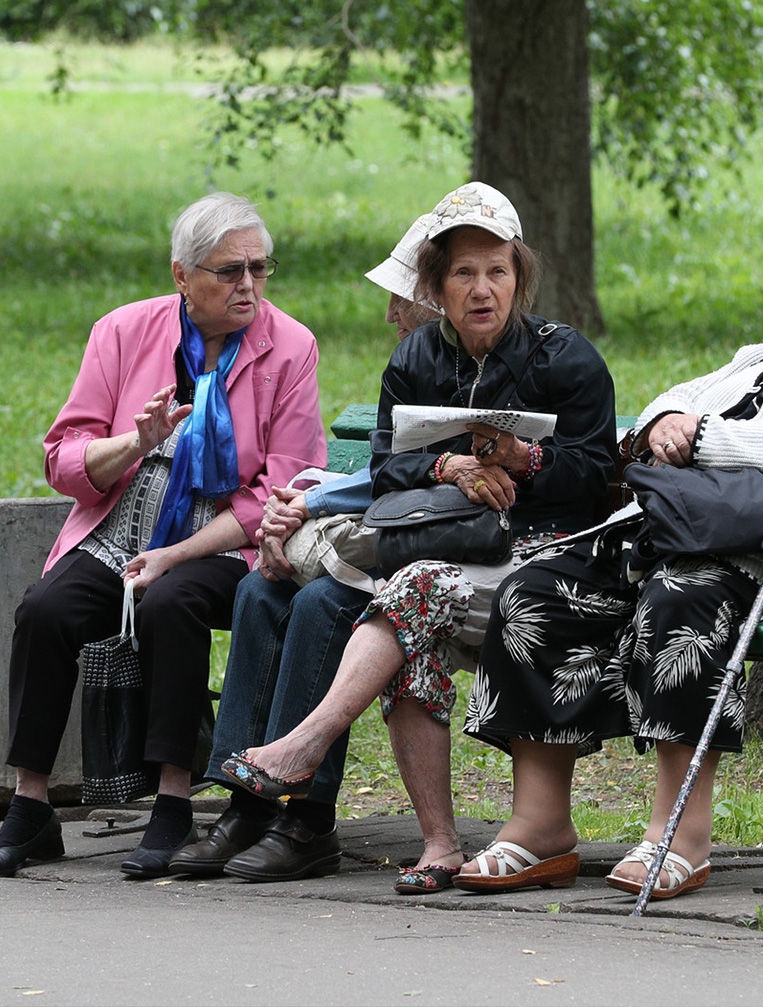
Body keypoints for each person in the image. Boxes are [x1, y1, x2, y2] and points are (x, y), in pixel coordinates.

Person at [463, 220, 763, 897]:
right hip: (680, 540)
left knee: (681, 595)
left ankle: (680, 834)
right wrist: (671, 423)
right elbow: (668, 406)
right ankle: (541, 823)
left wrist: (709, 439)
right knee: (536, 590)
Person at [217, 182, 620, 893]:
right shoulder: (417, 361)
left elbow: (597, 475)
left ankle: (305, 749)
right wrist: (448, 463)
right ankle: (437, 843)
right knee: (390, 614)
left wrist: (524, 459)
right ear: (436, 285)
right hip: (444, 550)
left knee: (408, 594)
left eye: (497, 270)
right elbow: (385, 464)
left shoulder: (567, 358)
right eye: (463, 273)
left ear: (519, 277)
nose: (482, 288)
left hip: (545, 556)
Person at [0, 192, 325, 880]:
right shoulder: (123, 332)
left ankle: (172, 802)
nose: (248, 285)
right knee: (44, 612)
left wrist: (175, 554)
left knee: (171, 601)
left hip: (223, 547)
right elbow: (64, 459)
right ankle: (31, 806)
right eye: (229, 271)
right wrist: (136, 441)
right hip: (118, 532)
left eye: (259, 268)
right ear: (181, 276)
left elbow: (285, 487)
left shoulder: (291, 347)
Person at [171, 211, 442, 883]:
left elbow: (409, 478)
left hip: (434, 547)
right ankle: (244, 800)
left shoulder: (467, 369)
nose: (388, 314)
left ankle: (305, 816)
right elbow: (382, 468)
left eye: (400, 298)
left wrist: (307, 503)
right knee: (261, 587)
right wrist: (301, 505)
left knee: (324, 601)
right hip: (385, 537)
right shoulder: (414, 363)